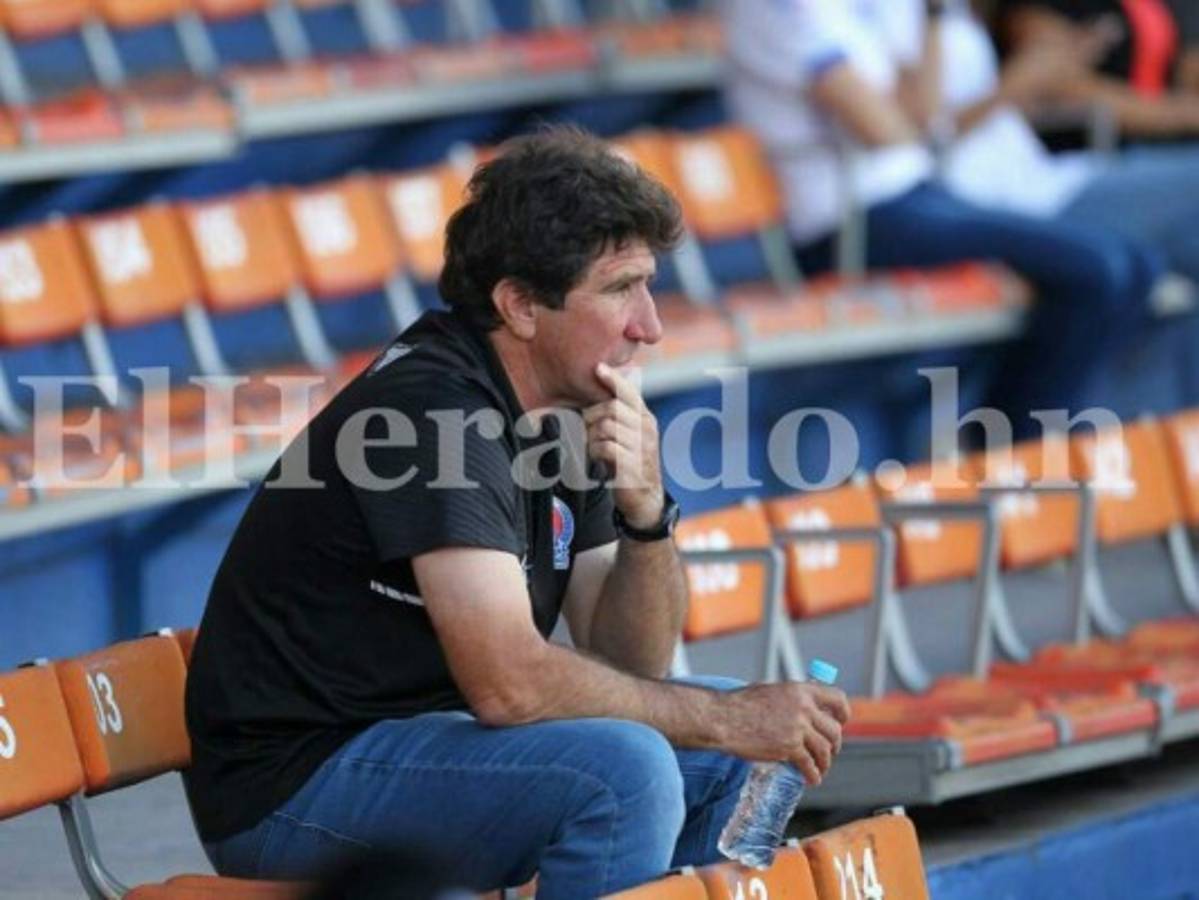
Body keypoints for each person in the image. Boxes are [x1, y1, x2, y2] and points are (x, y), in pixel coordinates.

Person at [182, 127, 851, 899]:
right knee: (628, 772)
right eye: (618, 288)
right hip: (296, 789)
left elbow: (632, 663)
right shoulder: (435, 417)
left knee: (731, 757)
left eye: (648, 285)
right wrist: (728, 717)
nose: (649, 324)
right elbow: (510, 685)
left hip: (436, 750)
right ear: (520, 305)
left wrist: (644, 515)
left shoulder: (566, 410)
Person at [721, 0, 1162, 441]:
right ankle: (1010, 463)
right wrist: (918, 120)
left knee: (1138, 265)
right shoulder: (770, 8)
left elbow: (923, 116)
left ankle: (1020, 451)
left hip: (915, 194)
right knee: (1098, 269)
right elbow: (887, 130)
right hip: (847, 224)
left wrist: (932, 15)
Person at [898, 0, 1199, 284]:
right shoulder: (912, 19)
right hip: (998, 198)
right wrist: (1023, 81)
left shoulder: (956, 14)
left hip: (1042, 176)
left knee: (1183, 248)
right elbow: (922, 136)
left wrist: (1048, 68)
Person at [1000, 0, 1199, 139]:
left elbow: (1185, 62)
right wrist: (1178, 115)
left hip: (1169, 139)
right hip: (1096, 152)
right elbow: (1051, 83)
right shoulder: (1040, 8)